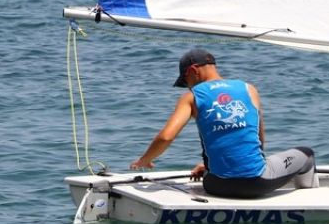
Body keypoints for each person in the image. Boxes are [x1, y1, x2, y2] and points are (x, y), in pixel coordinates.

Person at [129, 47, 318, 198]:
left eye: (185, 81)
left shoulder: (191, 97)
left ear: (193, 71)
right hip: (256, 184)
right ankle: (307, 204)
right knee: (306, 154)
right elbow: (259, 141)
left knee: (218, 167)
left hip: (215, 185)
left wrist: (145, 160)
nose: (187, 86)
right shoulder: (248, 89)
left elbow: (166, 137)